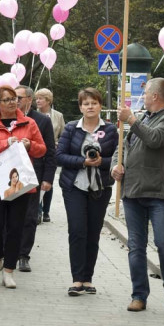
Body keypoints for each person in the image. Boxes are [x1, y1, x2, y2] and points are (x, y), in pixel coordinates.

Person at [112, 77, 164, 312]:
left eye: (145, 95)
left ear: (155, 96)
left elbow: (154, 139)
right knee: (136, 246)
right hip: (132, 191)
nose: (143, 98)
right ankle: (139, 295)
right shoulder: (144, 118)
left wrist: (131, 119)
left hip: (158, 191)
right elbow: (121, 148)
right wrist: (116, 165)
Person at [0, 85, 46, 290]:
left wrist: (29, 145)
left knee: (16, 227)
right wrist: (5, 143)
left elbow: (42, 150)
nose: (11, 102)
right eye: (6, 100)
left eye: (14, 98)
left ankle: (9, 270)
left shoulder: (29, 122)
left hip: (21, 184)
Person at [57, 88, 118, 296]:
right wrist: (82, 161)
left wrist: (103, 162)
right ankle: (76, 280)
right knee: (77, 231)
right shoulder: (71, 128)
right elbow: (60, 156)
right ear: (80, 107)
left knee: (92, 233)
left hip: (99, 189)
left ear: (100, 105)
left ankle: (87, 279)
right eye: (85, 103)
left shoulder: (110, 130)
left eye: (94, 103)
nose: (90, 107)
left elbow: (119, 159)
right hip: (74, 186)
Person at [16, 85, 57, 272]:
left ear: (29, 99)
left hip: (33, 174)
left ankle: (23, 255)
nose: (14, 101)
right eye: (11, 97)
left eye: (18, 97)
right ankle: (7, 252)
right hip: (9, 175)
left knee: (29, 217)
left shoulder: (41, 121)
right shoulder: (5, 118)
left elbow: (50, 151)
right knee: (8, 217)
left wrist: (48, 178)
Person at [35, 88, 65, 222]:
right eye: (37, 98)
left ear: (48, 100)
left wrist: (58, 143)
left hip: (51, 151)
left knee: (48, 181)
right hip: (37, 151)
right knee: (36, 182)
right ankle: (38, 211)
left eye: (41, 98)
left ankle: (46, 211)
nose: (38, 101)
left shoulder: (58, 115)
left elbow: (63, 134)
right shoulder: (32, 115)